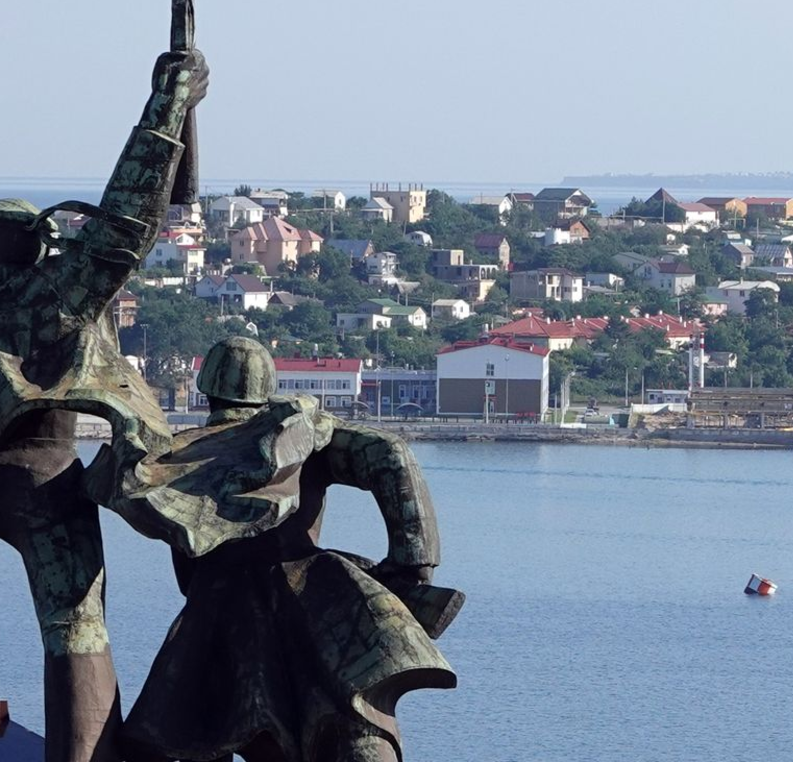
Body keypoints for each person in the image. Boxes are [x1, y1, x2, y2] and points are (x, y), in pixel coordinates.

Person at [88, 335, 462, 762]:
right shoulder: (299, 436)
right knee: (355, 726)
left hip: (216, 621)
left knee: (186, 738)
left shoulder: (176, 457)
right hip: (321, 601)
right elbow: (390, 454)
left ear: (205, 389)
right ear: (267, 390)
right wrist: (412, 566)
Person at [0, 48, 208, 762]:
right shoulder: (49, 296)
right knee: (76, 625)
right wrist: (167, 107)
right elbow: (126, 226)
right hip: (38, 478)